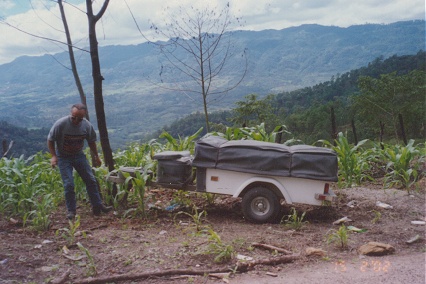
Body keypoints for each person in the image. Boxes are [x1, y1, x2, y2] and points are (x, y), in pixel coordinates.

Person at [47, 103, 112, 220]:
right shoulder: (61, 124)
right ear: (70, 114)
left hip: (78, 155)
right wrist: (53, 156)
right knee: (69, 184)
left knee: (90, 180)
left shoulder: (86, 126)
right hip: (63, 157)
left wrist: (96, 156)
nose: (76, 121)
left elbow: (91, 141)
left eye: (79, 118)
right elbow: (50, 140)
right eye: (74, 117)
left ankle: (97, 206)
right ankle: (71, 211)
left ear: (84, 116)